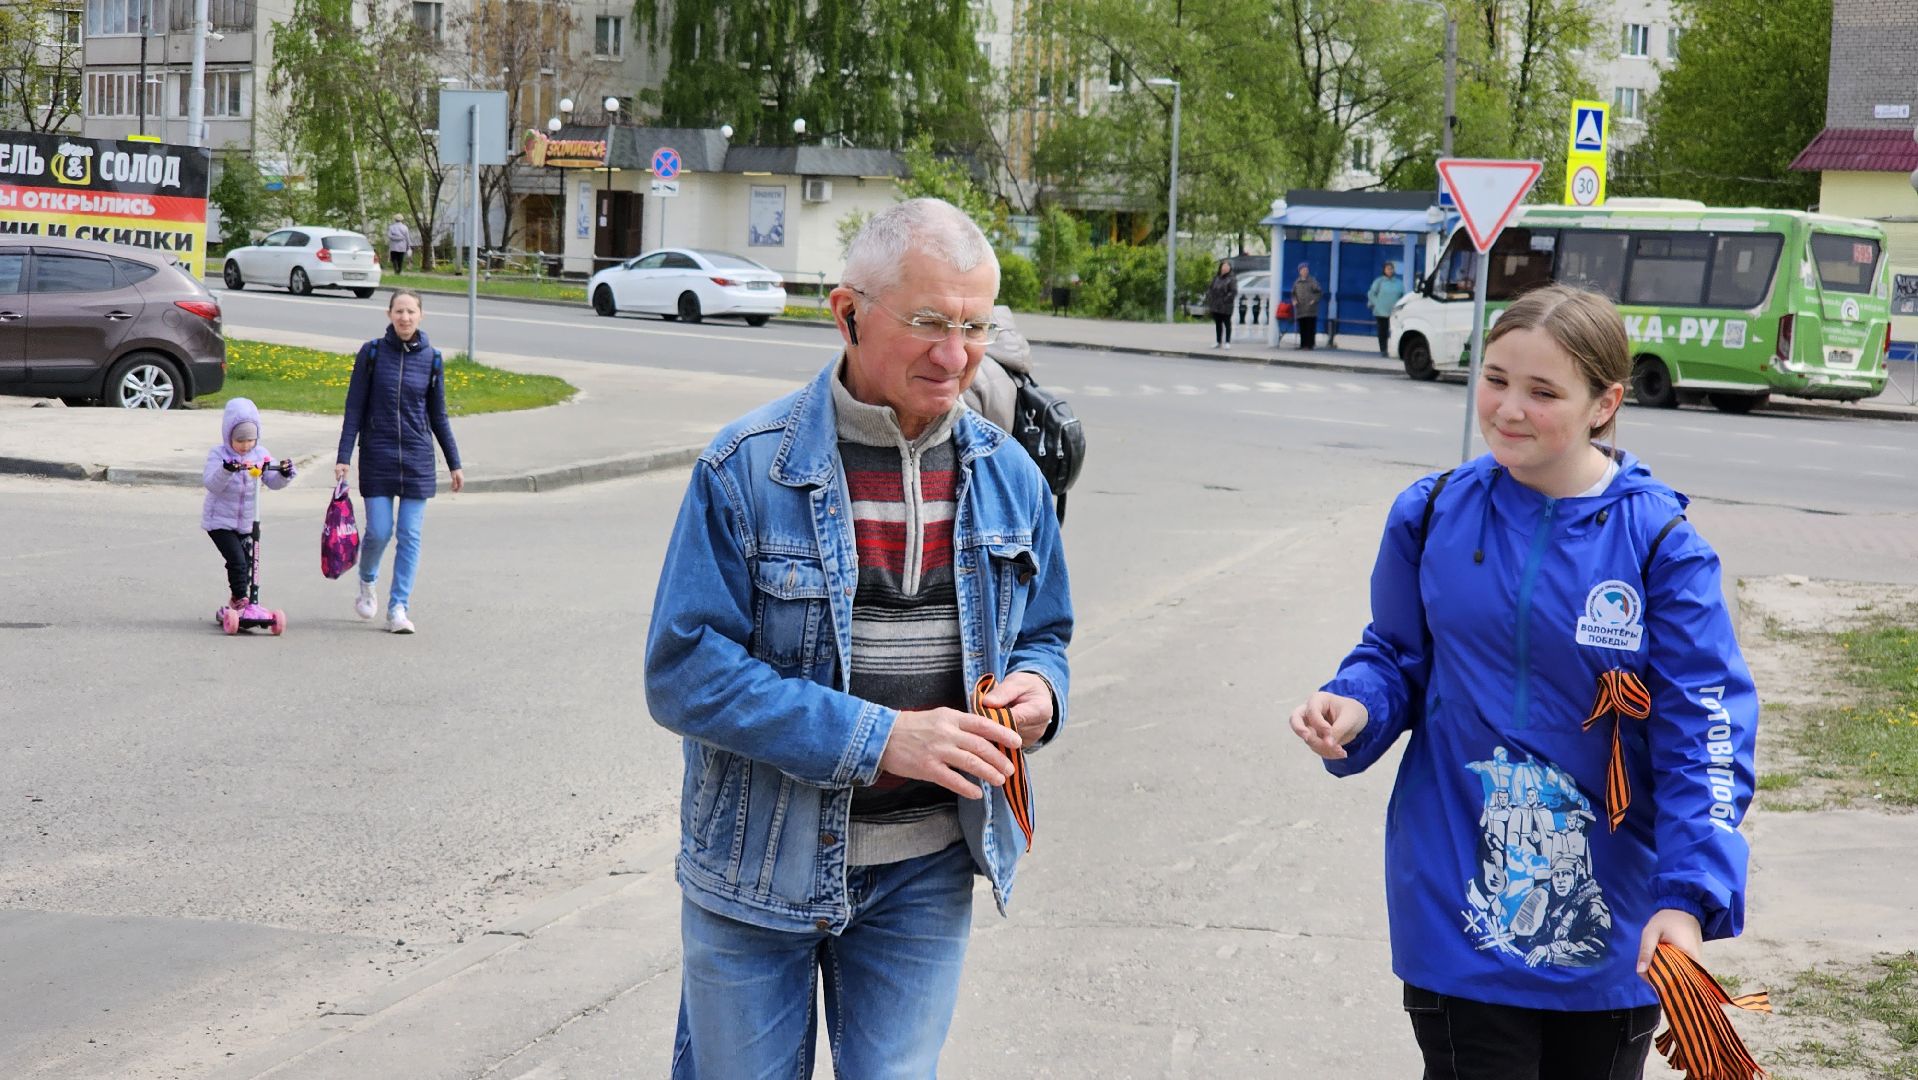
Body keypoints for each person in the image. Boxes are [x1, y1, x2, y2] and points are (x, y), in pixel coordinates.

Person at [645, 197, 1073, 1078]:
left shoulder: (1011, 478)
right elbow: (685, 672)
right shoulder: (745, 469)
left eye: (974, 326)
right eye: (927, 323)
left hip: (925, 871)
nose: (955, 356)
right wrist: (884, 738)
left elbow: (1047, 631)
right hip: (758, 869)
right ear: (847, 314)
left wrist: (1041, 687)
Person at [1286, 284, 1757, 1080]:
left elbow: (1704, 737)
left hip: (1612, 920)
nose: (1509, 407)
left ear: (1605, 403)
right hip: (1457, 906)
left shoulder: (1661, 547)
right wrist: (1355, 707)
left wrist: (1686, 897)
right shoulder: (1430, 514)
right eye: (1496, 378)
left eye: (1543, 392)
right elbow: (1395, 657)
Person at [334, 289, 463, 634]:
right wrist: (344, 455)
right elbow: (354, 407)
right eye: (399, 311)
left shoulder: (433, 359)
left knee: (409, 534)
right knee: (379, 530)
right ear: (389, 314)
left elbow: (439, 416)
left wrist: (454, 462)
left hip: (418, 458)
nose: (405, 317)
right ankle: (367, 579)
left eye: (411, 311)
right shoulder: (372, 353)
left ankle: (398, 608)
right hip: (378, 454)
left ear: (421, 315)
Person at [203, 397, 293, 610]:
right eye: (240, 440)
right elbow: (211, 484)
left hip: (247, 522)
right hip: (220, 521)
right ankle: (241, 599)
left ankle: (240, 600)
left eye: (250, 440)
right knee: (237, 560)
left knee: (249, 564)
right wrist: (227, 470)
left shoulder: (260, 455)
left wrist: (285, 474)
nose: (245, 446)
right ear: (229, 436)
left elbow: (273, 482)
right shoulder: (219, 455)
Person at [1367, 261, 1406, 357]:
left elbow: (1403, 295)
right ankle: (1383, 350)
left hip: (1394, 312)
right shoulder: (1379, 281)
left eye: (1391, 269)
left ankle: (1396, 350)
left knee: (1395, 331)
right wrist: (1377, 303)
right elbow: (1371, 294)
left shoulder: (1398, 283)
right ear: (1384, 270)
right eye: (1388, 269)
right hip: (1381, 312)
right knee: (1382, 332)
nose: (1390, 271)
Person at [1204, 260, 1239, 349]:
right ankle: (1218, 341)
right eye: (1224, 266)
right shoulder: (1216, 277)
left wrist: (1225, 299)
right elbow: (1210, 288)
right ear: (1220, 267)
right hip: (1216, 304)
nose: (1225, 268)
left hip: (1226, 305)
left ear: (1230, 268)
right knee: (1218, 324)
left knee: (1227, 323)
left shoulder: (1232, 278)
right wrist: (1210, 296)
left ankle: (1227, 342)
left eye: (1227, 266)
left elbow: (1233, 291)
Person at [1292, 263, 1323, 350]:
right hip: (1300, 309)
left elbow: (1319, 292)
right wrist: (1294, 300)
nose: (1305, 271)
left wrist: (1314, 300)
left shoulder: (1312, 281)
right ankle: (1303, 344)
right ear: (1299, 271)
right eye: (1303, 270)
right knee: (1302, 327)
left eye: (1306, 270)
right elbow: (1293, 293)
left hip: (1310, 309)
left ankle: (1310, 345)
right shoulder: (1297, 282)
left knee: (1310, 327)